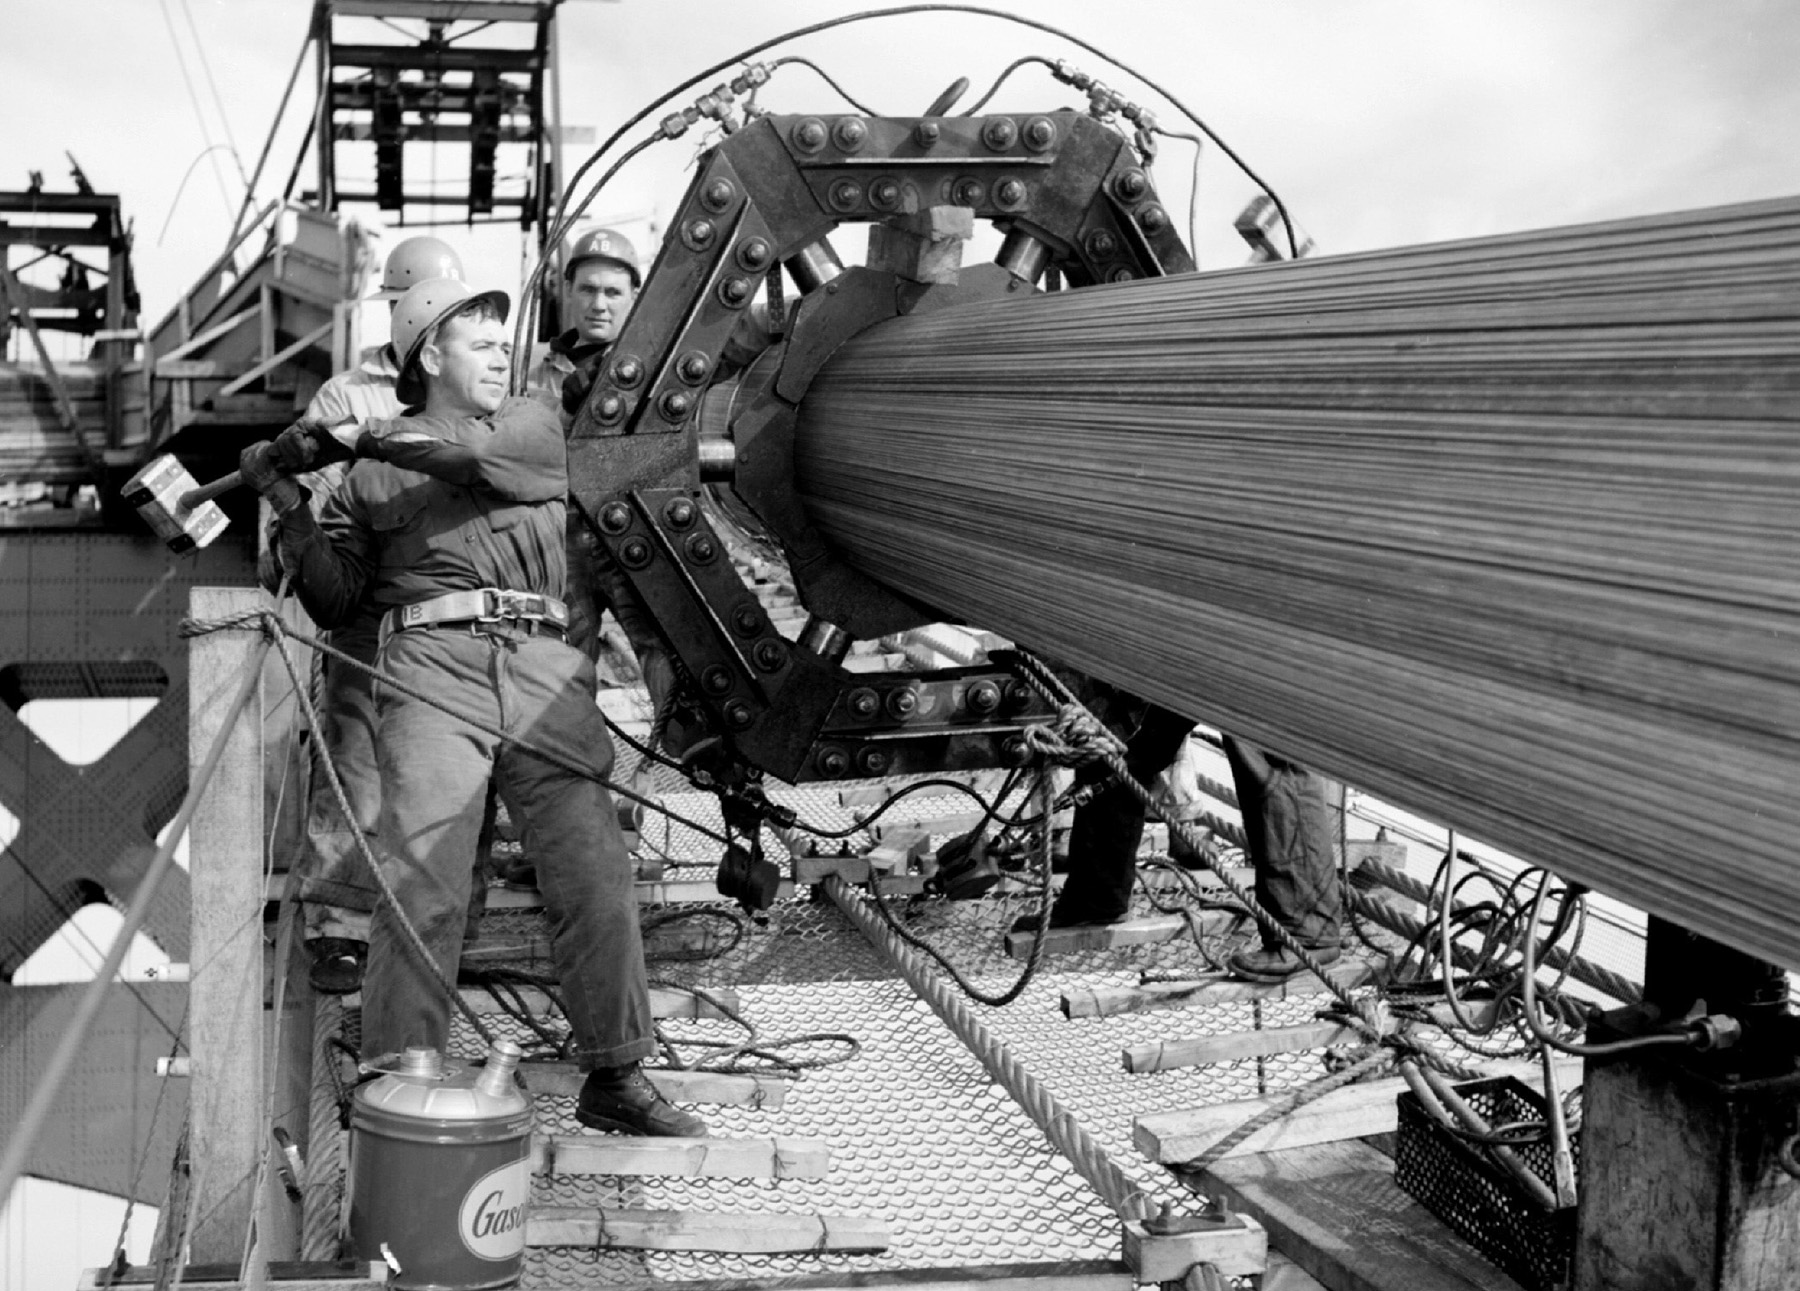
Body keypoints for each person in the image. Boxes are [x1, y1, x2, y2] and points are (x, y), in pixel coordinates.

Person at [244, 275, 706, 1137]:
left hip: (541, 667)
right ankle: (399, 1075)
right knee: (425, 874)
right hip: (428, 670)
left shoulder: (531, 420)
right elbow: (339, 599)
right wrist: (284, 500)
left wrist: (355, 436)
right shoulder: (363, 483)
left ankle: (616, 1068)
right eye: (481, 343)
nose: (504, 354)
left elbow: (477, 460)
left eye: (503, 341)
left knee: (592, 869)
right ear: (430, 355)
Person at [285, 234, 466, 994]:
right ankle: (340, 928)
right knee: (356, 762)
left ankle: (440, 918)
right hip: (367, 607)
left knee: (444, 769)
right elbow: (327, 507)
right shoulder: (345, 395)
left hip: (444, 607)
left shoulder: (474, 383)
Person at [1016, 676, 1342, 984]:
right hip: (1184, 637)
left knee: (1268, 747)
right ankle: (1097, 896)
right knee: (1118, 737)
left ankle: (1308, 935)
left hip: (1246, 637)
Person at [528, 226, 640, 421]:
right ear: (569, 290)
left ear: (634, 297)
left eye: (613, 292)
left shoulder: (647, 374)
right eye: (588, 290)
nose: (599, 305)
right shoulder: (533, 381)